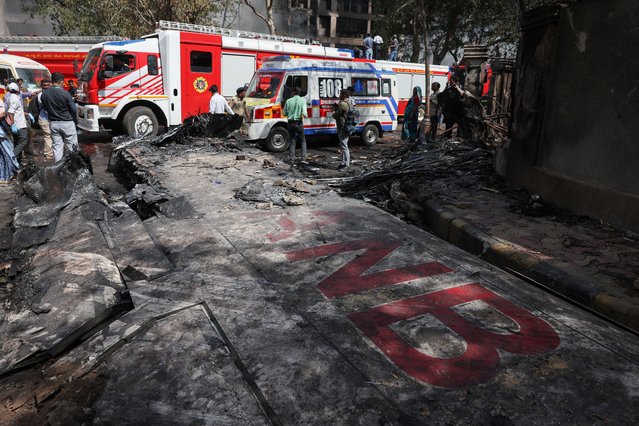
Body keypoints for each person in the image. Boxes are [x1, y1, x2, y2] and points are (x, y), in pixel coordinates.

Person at [41, 72, 78, 162]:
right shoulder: (65, 93)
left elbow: (45, 108)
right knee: (71, 145)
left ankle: (59, 167)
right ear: (61, 82)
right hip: (67, 122)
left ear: (52, 81)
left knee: (57, 147)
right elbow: (74, 109)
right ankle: (72, 165)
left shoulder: (44, 94)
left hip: (53, 123)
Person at [4, 82, 29, 163]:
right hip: (19, 125)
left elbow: (15, 111)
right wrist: (13, 123)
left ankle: (17, 163)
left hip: (17, 123)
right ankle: (11, 157)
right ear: (17, 89)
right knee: (23, 141)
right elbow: (11, 112)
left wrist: (27, 114)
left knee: (17, 143)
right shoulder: (14, 99)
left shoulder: (10, 97)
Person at [283, 86, 307, 163]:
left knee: (292, 141)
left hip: (290, 123)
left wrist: (290, 113)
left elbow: (284, 113)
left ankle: (292, 158)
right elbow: (305, 113)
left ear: (293, 92)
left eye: (291, 92)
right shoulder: (303, 101)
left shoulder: (288, 101)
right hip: (299, 123)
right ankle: (303, 158)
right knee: (303, 140)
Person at [332, 89, 351, 170]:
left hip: (342, 126)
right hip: (347, 126)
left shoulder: (342, 104)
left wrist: (334, 111)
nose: (339, 95)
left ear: (344, 95)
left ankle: (346, 164)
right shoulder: (349, 102)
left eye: (340, 94)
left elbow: (337, 114)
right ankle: (343, 162)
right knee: (343, 145)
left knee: (344, 146)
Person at [0, 103, 19, 183]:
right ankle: (6, 176)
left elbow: (3, 113)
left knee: (5, 154)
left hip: (1, 133)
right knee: (5, 154)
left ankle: (6, 176)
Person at [36, 79, 53, 160]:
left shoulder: (52, 93)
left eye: (47, 85)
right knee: (48, 136)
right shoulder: (40, 95)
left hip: (52, 119)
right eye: (44, 85)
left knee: (52, 137)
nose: (46, 87)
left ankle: (49, 153)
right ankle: (48, 156)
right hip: (44, 119)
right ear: (41, 86)